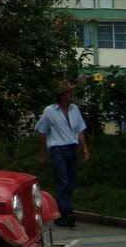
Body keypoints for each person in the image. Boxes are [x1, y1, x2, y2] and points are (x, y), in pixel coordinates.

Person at [36, 82, 90, 228]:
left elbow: (79, 130)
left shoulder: (74, 110)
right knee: (63, 181)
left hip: (72, 147)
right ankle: (67, 213)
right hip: (57, 149)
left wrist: (84, 147)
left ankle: (63, 211)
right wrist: (43, 153)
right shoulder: (50, 111)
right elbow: (42, 132)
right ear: (61, 95)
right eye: (68, 93)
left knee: (71, 181)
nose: (70, 95)